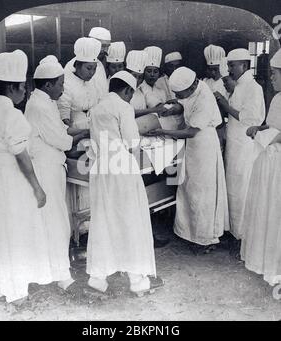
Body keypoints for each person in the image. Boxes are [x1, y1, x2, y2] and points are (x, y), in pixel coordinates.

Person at [87, 71, 163, 295]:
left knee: (103, 220)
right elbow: (131, 141)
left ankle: (98, 280)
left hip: (101, 167)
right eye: (131, 93)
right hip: (121, 167)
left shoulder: (97, 107)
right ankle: (138, 281)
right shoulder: (123, 106)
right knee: (130, 220)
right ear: (128, 90)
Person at [0, 50, 48, 304]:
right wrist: (37, 188)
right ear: (13, 88)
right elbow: (22, 157)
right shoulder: (13, 114)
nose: (25, 91)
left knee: (1, 230)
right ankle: (17, 291)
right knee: (18, 230)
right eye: (23, 87)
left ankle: (3, 284)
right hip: (15, 177)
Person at [148, 67, 229, 251]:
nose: (178, 96)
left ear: (190, 87)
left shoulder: (205, 98)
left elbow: (191, 132)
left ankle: (205, 239)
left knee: (203, 194)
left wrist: (163, 131)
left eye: (179, 93)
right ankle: (191, 234)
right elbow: (184, 103)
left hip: (204, 146)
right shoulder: (195, 88)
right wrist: (175, 105)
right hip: (193, 148)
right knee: (190, 190)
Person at [25, 56, 87, 291]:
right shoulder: (39, 105)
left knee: (55, 221)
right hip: (46, 169)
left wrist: (79, 133)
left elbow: (61, 132)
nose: (64, 87)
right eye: (61, 83)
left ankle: (55, 269)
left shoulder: (45, 101)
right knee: (56, 222)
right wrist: (79, 136)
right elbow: (61, 140)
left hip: (52, 167)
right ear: (48, 84)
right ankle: (61, 276)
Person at [215, 48, 265, 242]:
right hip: (234, 145)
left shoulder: (253, 88)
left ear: (244, 65)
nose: (229, 69)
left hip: (244, 146)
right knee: (233, 188)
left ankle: (243, 235)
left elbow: (250, 118)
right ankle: (234, 231)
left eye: (232, 65)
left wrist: (224, 104)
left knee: (242, 189)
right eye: (228, 65)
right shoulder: (238, 86)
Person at [240, 48, 281, 286]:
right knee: (266, 209)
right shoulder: (276, 98)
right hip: (269, 159)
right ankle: (266, 260)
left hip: (277, 163)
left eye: (276, 74)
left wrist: (267, 136)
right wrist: (260, 129)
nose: (272, 78)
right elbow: (272, 125)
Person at [57, 37, 102, 238]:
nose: (91, 73)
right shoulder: (67, 84)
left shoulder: (90, 83)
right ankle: (79, 229)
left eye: (94, 68)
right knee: (79, 184)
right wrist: (81, 132)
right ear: (77, 65)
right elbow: (63, 121)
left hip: (91, 128)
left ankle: (92, 225)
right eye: (88, 69)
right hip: (75, 132)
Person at [88, 27, 111, 98]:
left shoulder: (100, 64)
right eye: (103, 46)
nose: (105, 50)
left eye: (107, 46)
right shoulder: (75, 64)